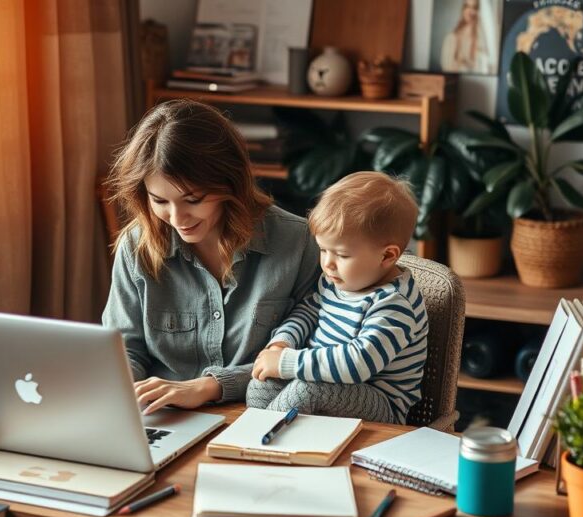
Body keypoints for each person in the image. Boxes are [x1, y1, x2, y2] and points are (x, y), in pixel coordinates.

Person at [103, 99, 320, 415]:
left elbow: (314, 358)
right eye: (159, 200)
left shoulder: (297, 243)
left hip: (262, 418)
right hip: (163, 419)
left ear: (230, 181)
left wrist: (210, 387)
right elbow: (125, 350)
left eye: (193, 199)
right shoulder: (136, 248)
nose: (177, 217)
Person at [247, 172, 428, 424]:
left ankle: (260, 444)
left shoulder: (395, 304)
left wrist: (288, 362)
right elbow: (308, 312)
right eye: (323, 250)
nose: (328, 264)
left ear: (387, 256)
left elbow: (358, 363)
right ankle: (264, 440)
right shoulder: (337, 280)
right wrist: (283, 343)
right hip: (321, 380)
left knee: (307, 390)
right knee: (260, 383)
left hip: (380, 404)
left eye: (341, 255)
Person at [440, 0, 497, 75]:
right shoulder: (451, 38)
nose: (471, 12)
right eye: (467, 6)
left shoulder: (482, 40)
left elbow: (487, 68)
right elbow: (447, 69)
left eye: (475, 8)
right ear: (463, 9)